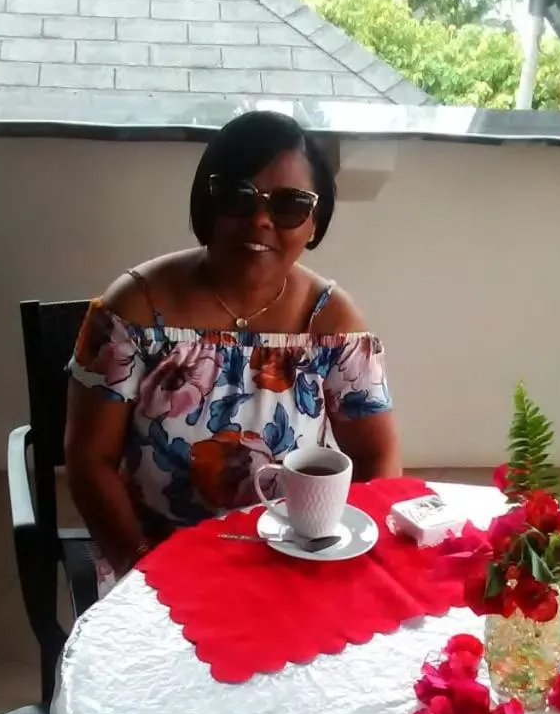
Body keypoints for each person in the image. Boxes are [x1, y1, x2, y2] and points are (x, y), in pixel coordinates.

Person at [65, 109, 401, 583]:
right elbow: (89, 460)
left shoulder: (332, 320)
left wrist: (350, 557)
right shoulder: (134, 309)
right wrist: (139, 569)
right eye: (238, 197)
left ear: (314, 222)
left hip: (298, 560)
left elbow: (376, 457)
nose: (261, 219)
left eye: (289, 205)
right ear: (208, 204)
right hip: (157, 562)